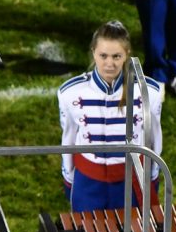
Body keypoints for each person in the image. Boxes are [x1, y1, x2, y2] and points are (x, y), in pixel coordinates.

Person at [58, 21, 163, 213]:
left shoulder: (150, 92)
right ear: (93, 53)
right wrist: (69, 178)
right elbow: (68, 139)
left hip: (131, 182)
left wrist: (152, 176)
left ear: (127, 54)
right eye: (103, 56)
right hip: (88, 183)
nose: (109, 63)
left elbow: (154, 138)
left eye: (116, 56)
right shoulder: (70, 92)